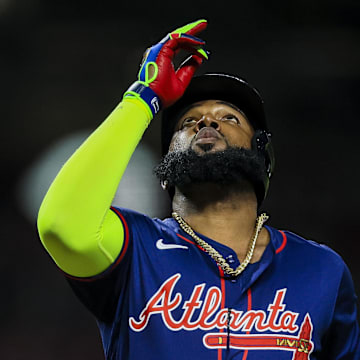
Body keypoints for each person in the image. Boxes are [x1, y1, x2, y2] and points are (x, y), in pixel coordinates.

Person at [37, 19, 360, 359]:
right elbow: (62, 226)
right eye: (188, 123)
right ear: (166, 171)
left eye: (230, 118)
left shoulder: (321, 268)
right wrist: (142, 98)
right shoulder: (136, 248)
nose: (207, 122)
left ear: (261, 155)